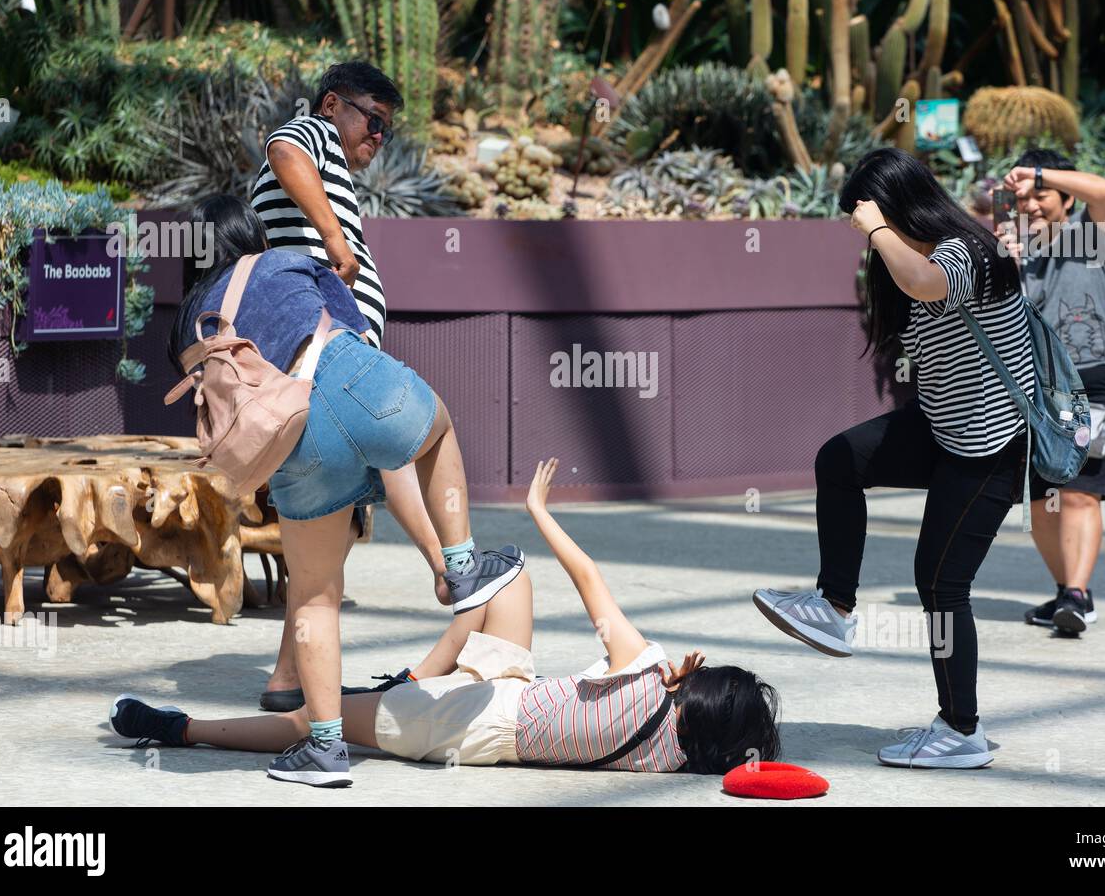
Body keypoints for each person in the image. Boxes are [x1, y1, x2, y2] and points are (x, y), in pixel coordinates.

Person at [109, 458, 781, 785]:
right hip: (512, 693)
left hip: (470, 724)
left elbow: (590, 581)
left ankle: (182, 728)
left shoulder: (648, 676)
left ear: (694, 687)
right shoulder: (674, 758)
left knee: (317, 721)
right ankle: (413, 678)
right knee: (506, 575)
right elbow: (745, 765)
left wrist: (540, 507)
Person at [165, 194, 524, 786]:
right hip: (344, 376)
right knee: (437, 427)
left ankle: (326, 750)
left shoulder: (190, 323)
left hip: (292, 448)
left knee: (312, 596)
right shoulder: (282, 261)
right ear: (248, 232)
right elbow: (351, 324)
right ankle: (461, 566)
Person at [753, 147, 1031, 769]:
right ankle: (835, 606)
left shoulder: (967, 253)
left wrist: (877, 228)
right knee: (840, 459)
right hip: (943, 429)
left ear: (899, 206)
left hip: (992, 449)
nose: (862, 230)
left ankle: (962, 730)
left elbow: (922, 280)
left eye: (868, 214)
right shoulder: (920, 254)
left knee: (940, 583)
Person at [247, 61, 456, 711]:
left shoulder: (332, 164)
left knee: (322, 540)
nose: (377, 139)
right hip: (332, 347)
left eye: (387, 132)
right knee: (412, 432)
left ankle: (288, 680)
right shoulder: (310, 132)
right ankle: (452, 567)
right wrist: (336, 237)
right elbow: (283, 150)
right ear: (334, 104)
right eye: (373, 122)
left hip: (324, 354)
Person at [1003, 149, 1105, 635]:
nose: (1031, 204)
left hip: (1100, 377)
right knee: (1041, 500)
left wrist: (1035, 172)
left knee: (1080, 495)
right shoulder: (1020, 252)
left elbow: (1103, 192)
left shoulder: (1092, 236)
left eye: (1040, 194)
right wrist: (1008, 267)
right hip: (1044, 389)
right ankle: (1070, 594)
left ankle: (1077, 594)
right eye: (1022, 198)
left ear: (1065, 196)